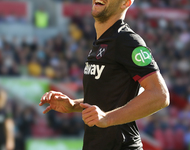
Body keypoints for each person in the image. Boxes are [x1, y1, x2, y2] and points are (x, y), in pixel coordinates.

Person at [39, 0, 170, 149]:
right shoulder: (100, 42)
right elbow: (109, 99)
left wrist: (108, 118)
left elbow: (160, 95)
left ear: (125, 3)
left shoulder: (128, 41)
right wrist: (73, 105)